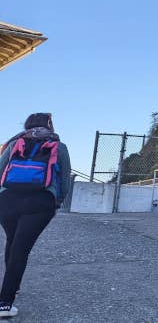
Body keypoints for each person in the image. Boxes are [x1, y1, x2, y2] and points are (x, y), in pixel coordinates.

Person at [0, 113, 72, 318]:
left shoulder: (14, 143)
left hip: (7, 200)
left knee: (14, 241)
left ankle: (13, 286)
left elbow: (0, 171)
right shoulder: (59, 146)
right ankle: (5, 302)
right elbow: (65, 179)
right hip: (40, 202)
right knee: (20, 248)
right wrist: (57, 202)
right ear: (49, 125)